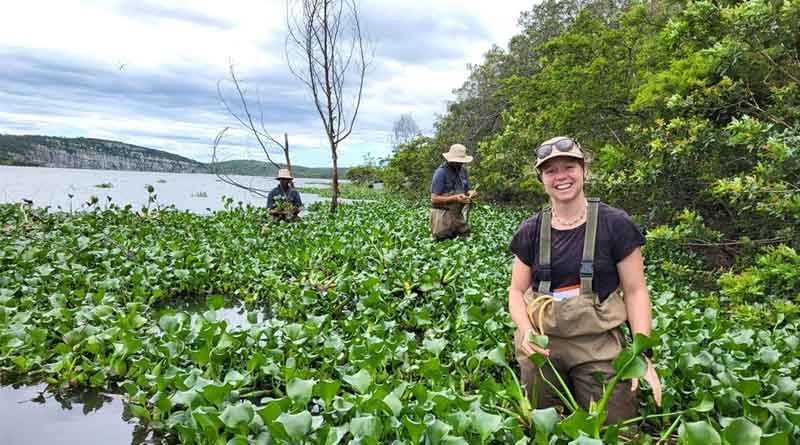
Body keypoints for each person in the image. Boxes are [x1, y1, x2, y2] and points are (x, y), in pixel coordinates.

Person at [507, 136, 662, 423]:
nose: (561, 177)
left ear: (584, 171)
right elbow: (516, 292)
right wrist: (526, 330)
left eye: (569, 167)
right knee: (543, 425)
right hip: (543, 338)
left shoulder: (615, 223)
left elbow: (636, 291)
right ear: (541, 178)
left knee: (616, 427)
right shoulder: (530, 229)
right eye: (551, 171)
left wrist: (644, 356)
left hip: (597, 339)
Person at [429, 143, 478, 240]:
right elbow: (434, 199)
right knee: (443, 243)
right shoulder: (441, 173)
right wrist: (454, 198)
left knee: (466, 240)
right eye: (457, 161)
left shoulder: (463, 171)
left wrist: (472, 193)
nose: (460, 163)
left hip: (458, 216)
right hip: (442, 217)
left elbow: (466, 191)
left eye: (461, 161)